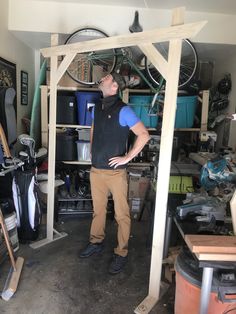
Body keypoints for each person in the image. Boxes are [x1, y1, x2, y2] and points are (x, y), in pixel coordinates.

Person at [79, 72, 150, 274]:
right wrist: (92, 149)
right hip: (96, 171)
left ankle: (121, 252)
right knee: (98, 211)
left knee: (122, 215)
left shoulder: (123, 110)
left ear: (114, 87)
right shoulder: (98, 107)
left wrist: (127, 157)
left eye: (107, 78)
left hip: (115, 174)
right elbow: (93, 128)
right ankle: (96, 242)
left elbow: (144, 135)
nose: (102, 78)